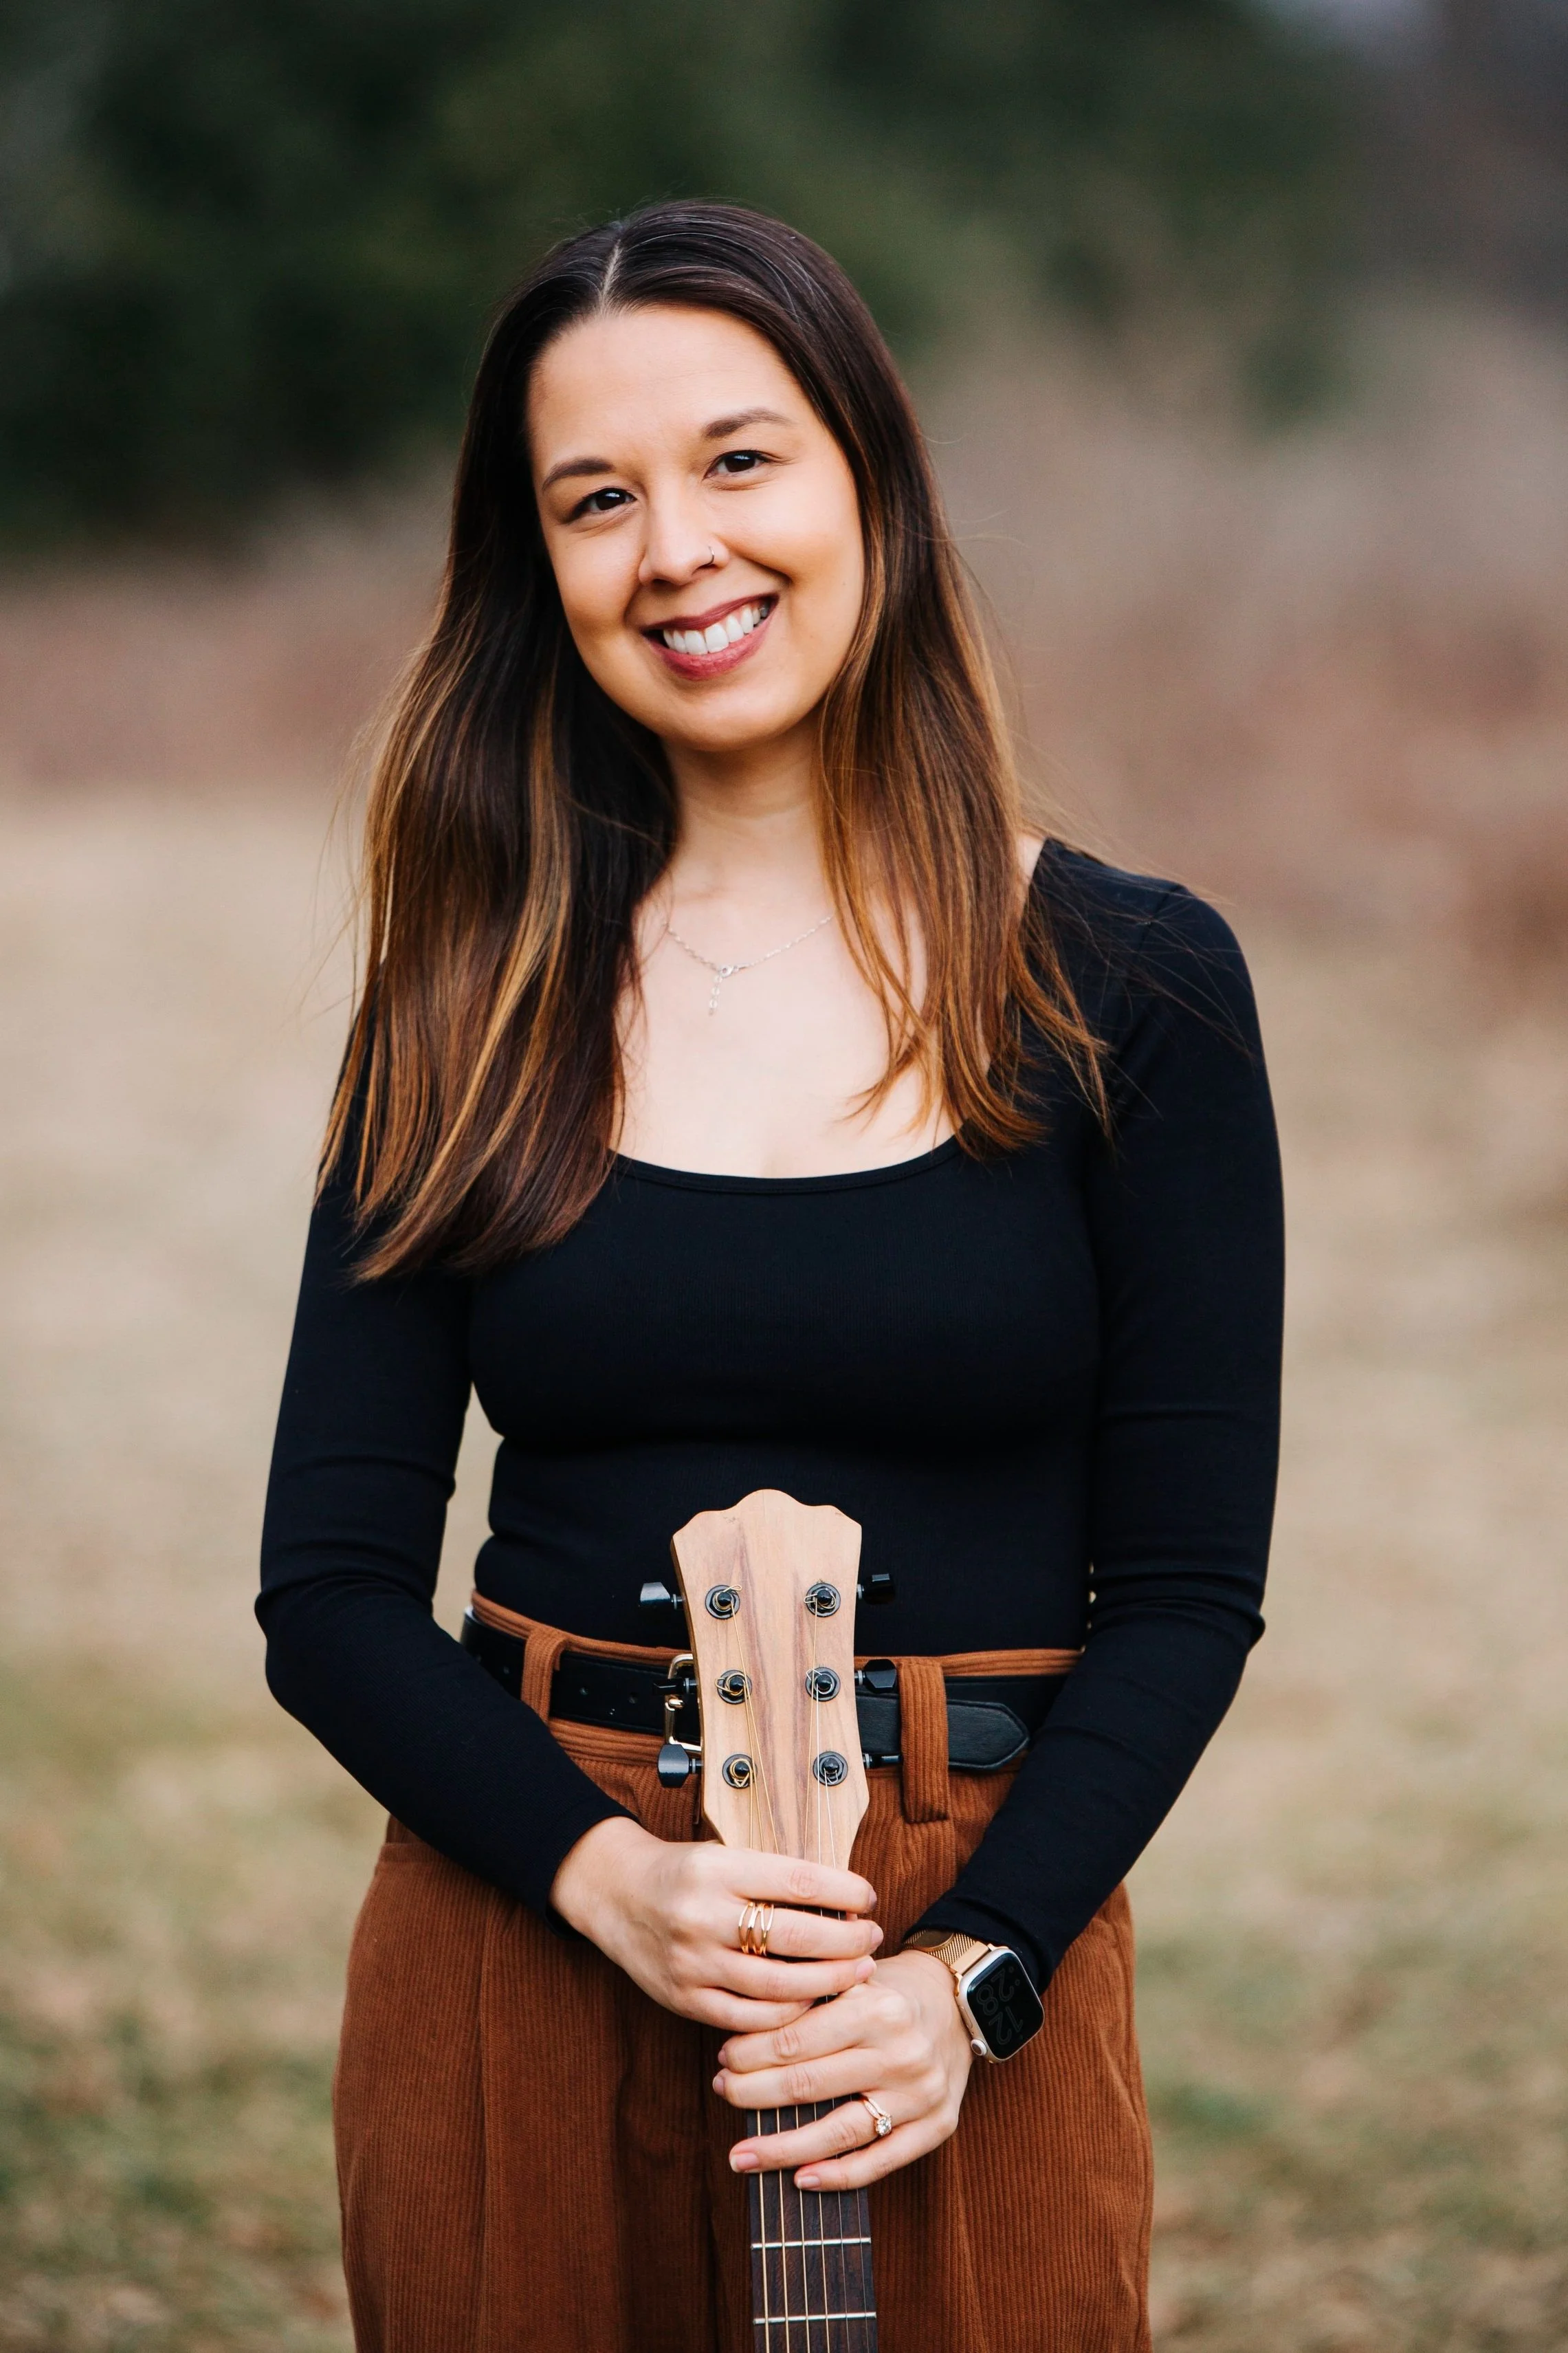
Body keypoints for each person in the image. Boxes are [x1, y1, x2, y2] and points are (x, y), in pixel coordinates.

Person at [259, 200, 1283, 2353]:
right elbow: (329, 1588)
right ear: (539, 567)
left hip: (964, 1954)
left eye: (738, 458)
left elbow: (1187, 1590)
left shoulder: (1133, 983)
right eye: (595, 498)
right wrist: (604, 1877)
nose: (678, 551)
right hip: (525, 1912)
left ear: (870, 482)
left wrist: (970, 1975)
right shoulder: (471, 995)